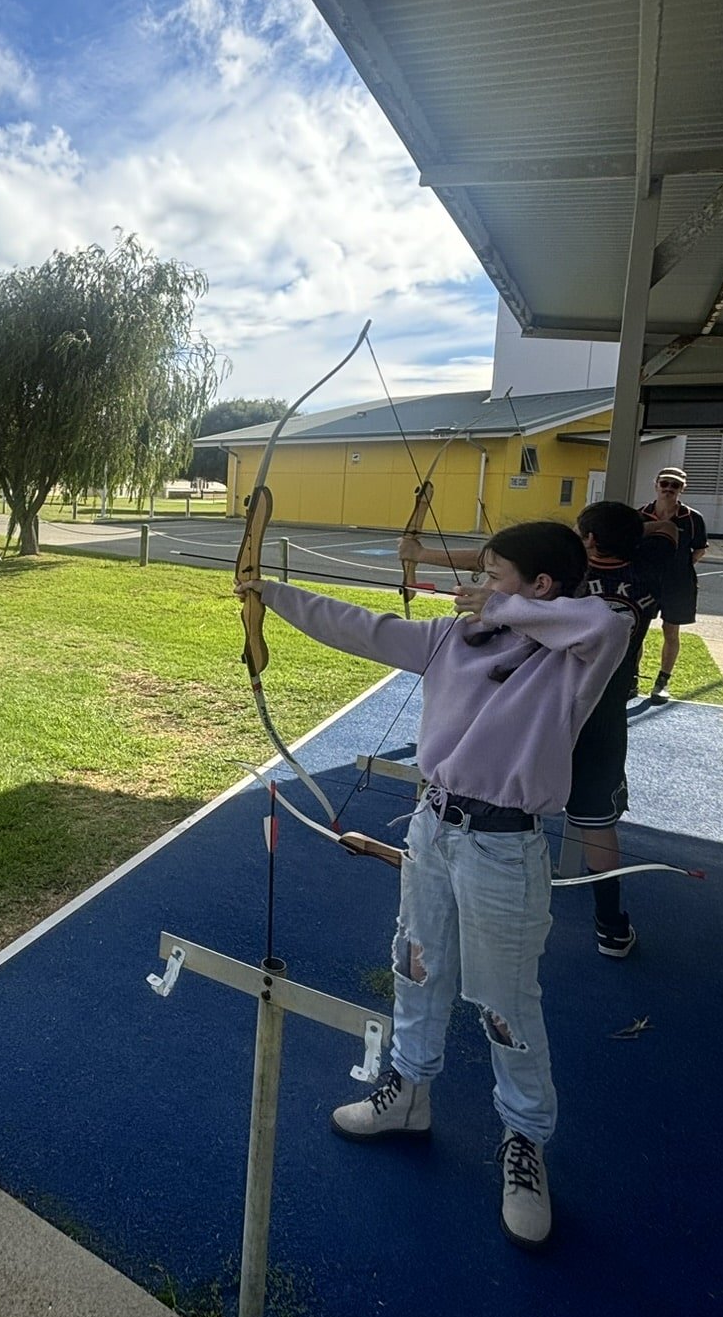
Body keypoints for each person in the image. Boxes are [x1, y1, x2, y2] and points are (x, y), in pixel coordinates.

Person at [236, 521, 633, 1250]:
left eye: (494, 573)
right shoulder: (452, 642)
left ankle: (523, 1142)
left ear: (541, 586)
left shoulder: (578, 655)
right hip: (433, 827)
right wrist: (270, 594)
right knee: (416, 964)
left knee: (504, 998)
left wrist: (499, 608)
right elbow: (364, 627)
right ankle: (409, 1093)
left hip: (504, 846)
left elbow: (603, 620)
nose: (476, 586)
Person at [566, 501, 662, 958]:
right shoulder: (650, 574)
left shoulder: (566, 586)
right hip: (604, 719)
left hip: (548, 714)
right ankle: (611, 929)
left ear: (589, 541)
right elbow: (666, 533)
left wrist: (420, 554)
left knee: (511, 808)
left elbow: (504, 563)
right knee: (597, 825)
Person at [639, 467, 708, 703]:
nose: (669, 489)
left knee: (671, 631)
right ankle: (631, 679)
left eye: (674, 485)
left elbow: (699, 548)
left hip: (678, 584)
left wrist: (680, 565)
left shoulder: (693, 518)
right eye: (665, 483)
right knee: (638, 631)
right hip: (645, 582)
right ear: (656, 484)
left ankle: (662, 682)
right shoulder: (641, 515)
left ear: (682, 488)